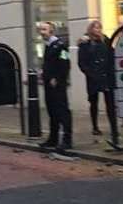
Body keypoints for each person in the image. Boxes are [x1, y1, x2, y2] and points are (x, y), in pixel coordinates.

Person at [77, 20, 118, 139]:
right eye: (95, 28)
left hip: (106, 76)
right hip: (93, 77)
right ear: (91, 29)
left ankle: (114, 129)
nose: (98, 30)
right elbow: (82, 62)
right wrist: (90, 73)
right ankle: (95, 126)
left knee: (110, 103)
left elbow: (112, 55)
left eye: (100, 28)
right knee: (93, 102)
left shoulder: (105, 40)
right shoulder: (85, 42)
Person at [38, 22, 73, 151]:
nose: (42, 32)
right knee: (52, 112)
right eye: (41, 29)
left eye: (44, 29)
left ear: (51, 31)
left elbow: (65, 64)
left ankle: (67, 140)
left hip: (58, 85)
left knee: (62, 112)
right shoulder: (47, 46)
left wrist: (57, 78)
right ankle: (53, 139)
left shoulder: (60, 46)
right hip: (48, 84)